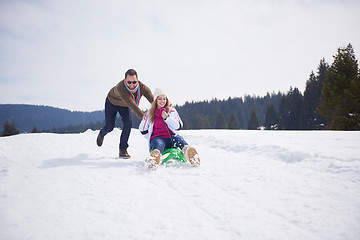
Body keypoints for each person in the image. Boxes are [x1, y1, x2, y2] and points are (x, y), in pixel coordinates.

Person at [97, 69, 154, 158]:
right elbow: (131, 103)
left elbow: (153, 101)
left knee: (128, 123)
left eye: (134, 82)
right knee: (109, 127)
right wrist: (142, 116)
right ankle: (102, 133)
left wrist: (163, 108)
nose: (132, 85)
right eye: (129, 82)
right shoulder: (120, 88)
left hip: (125, 106)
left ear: (137, 81)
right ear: (125, 80)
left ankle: (123, 150)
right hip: (112, 102)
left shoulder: (143, 88)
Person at [139, 88, 200, 169]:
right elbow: (143, 130)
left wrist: (167, 118)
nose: (162, 101)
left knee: (179, 139)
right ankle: (155, 158)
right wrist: (145, 118)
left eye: (164, 99)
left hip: (171, 137)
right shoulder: (150, 113)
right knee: (158, 144)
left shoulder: (172, 111)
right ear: (155, 101)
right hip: (158, 138)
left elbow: (178, 126)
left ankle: (190, 153)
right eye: (159, 99)